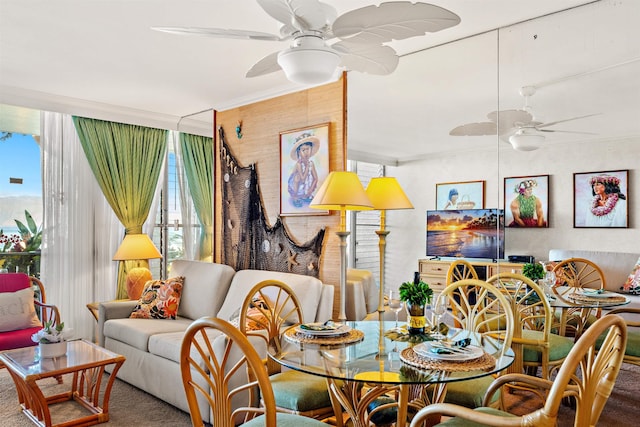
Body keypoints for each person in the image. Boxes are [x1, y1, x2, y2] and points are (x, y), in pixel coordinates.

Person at [287, 133, 319, 208]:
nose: (306, 152)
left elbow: (315, 178)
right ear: (299, 152)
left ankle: (306, 196)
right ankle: (295, 197)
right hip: (297, 186)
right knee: (297, 177)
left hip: (307, 187)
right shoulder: (299, 164)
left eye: (308, 149)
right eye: (303, 150)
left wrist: (310, 190)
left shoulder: (311, 163)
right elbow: (303, 179)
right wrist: (307, 167)